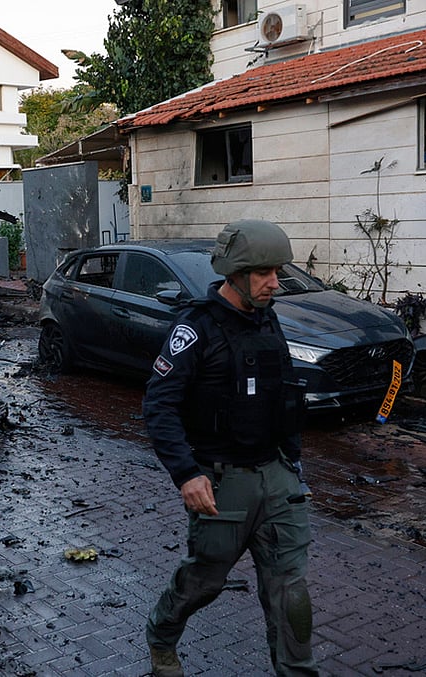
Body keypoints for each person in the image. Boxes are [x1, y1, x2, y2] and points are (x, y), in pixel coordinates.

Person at [142, 219, 316, 677]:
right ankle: (161, 635)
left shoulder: (268, 318)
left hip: (277, 478)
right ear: (235, 273)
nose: (274, 282)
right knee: (204, 581)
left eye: (277, 271)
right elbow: (159, 406)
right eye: (263, 273)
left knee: (290, 591)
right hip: (222, 485)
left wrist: (293, 463)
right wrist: (186, 473)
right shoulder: (196, 328)